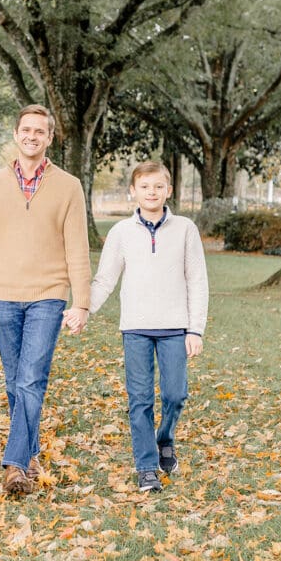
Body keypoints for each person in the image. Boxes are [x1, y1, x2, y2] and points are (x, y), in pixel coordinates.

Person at [0, 104, 91, 496]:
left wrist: (80, 303)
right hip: (4, 295)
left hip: (49, 296)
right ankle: (30, 454)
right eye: (26, 130)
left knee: (31, 377)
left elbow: (78, 250)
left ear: (50, 138)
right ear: (16, 134)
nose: (32, 136)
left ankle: (14, 465)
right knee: (15, 383)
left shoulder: (69, 186)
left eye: (40, 131)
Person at [77, 161, 208, 492]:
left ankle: (165, 439)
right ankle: (147, 467)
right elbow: (105, 279)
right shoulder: (121, 232)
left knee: (176, 395)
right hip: (135, 327)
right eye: (145, 187)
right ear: (133, 191)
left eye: (158, 186)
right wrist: (84, 308)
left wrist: (195, 329)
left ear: (169, 190)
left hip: (175, 328)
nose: (152, 192)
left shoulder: (185, 229)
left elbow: (197, 280)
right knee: (140, 399)